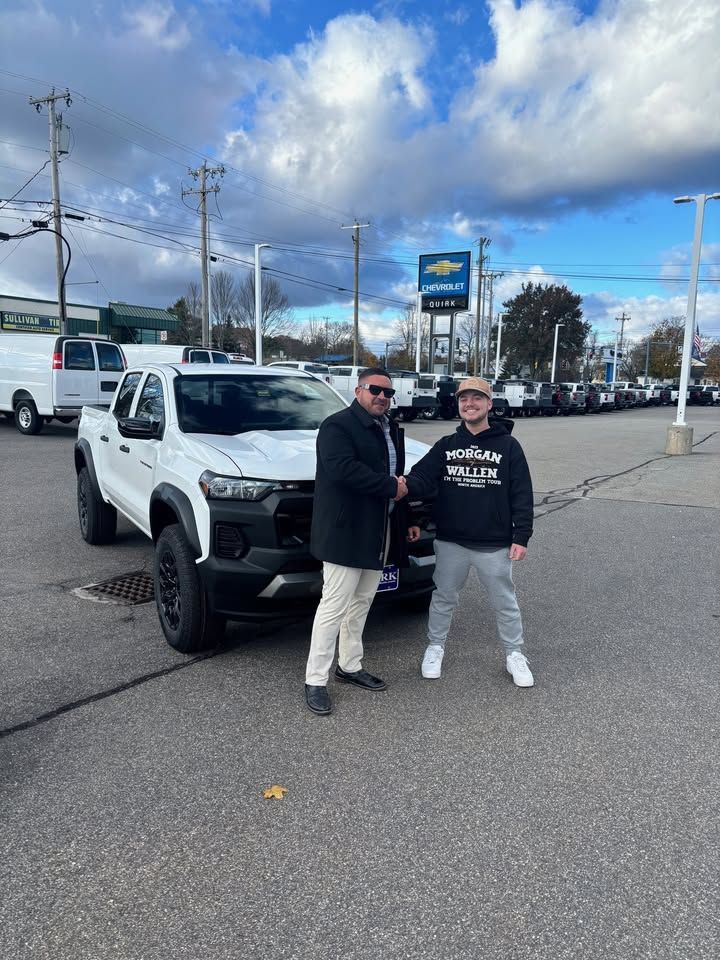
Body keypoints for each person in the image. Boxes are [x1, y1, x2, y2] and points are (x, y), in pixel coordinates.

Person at [404, 377, 535, 688]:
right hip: (451, 541)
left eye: (477, 399)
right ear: (458, 404)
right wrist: (398, 489)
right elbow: (419, 479)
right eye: (464, 399)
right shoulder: (446, 446)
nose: (470, 404)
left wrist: (521, 536)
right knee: (443, 597)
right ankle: (435, 648)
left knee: (504, 601)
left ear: (489, 404)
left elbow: (522, 493)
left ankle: (515, 654)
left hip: (493, 543)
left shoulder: (508, 447)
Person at [304, 367, 412, 716]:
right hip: (345, 531)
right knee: (333, 607)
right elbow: (343, 469)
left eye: (388, 393)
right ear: (358, 391)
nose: (382, 397)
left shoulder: (388, 427)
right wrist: (390, 488)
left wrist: (405, 518)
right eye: (375, 390)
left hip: (379, 529)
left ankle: (350, 666)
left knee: (363, 601)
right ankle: (315, 680)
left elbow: (398, 477)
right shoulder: (337, 426)